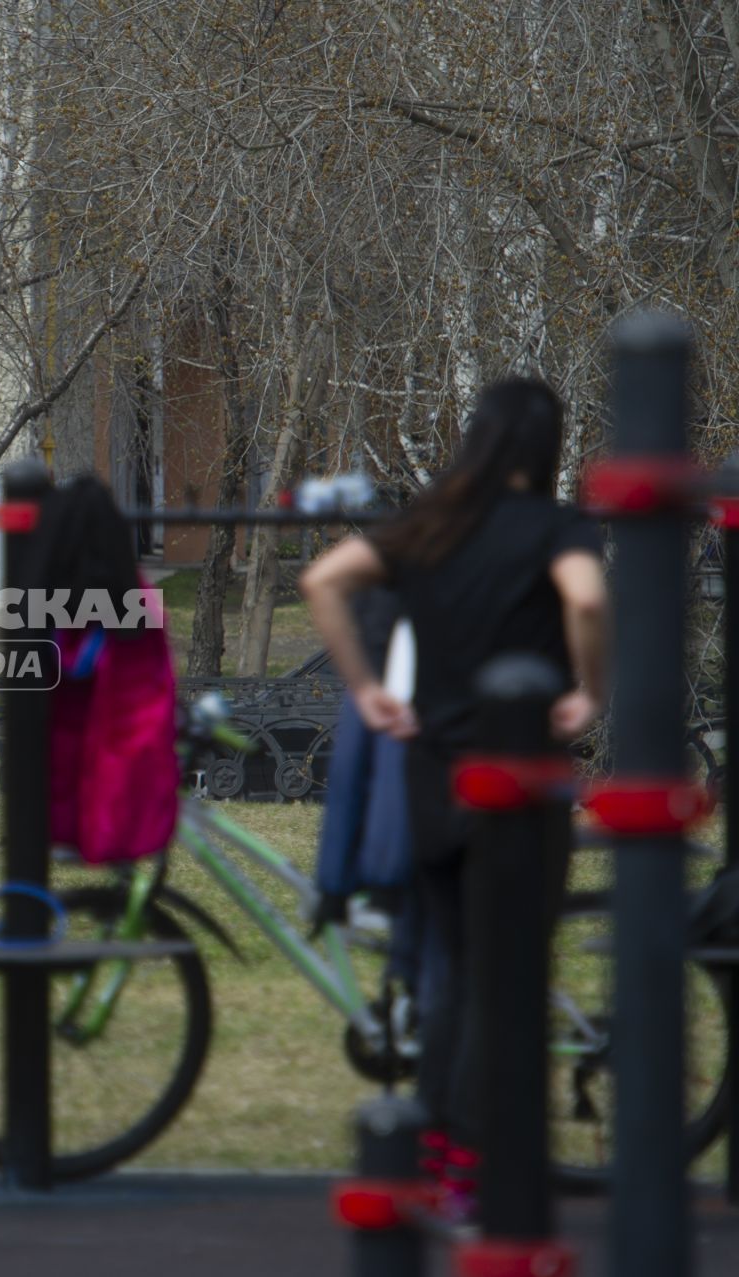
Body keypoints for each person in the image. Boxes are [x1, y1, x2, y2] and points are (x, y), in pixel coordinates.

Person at [299, 375, 607, 1219]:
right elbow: (586, 595)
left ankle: (435, 1141)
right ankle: (477, 1153)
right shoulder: (557, 527)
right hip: (522, 778)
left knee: (447, 966)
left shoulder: (432, 521)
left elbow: (325, 579)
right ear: (545, 447)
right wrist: (589, 686)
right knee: (502, 972)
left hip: (432, 774)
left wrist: (366, 689)